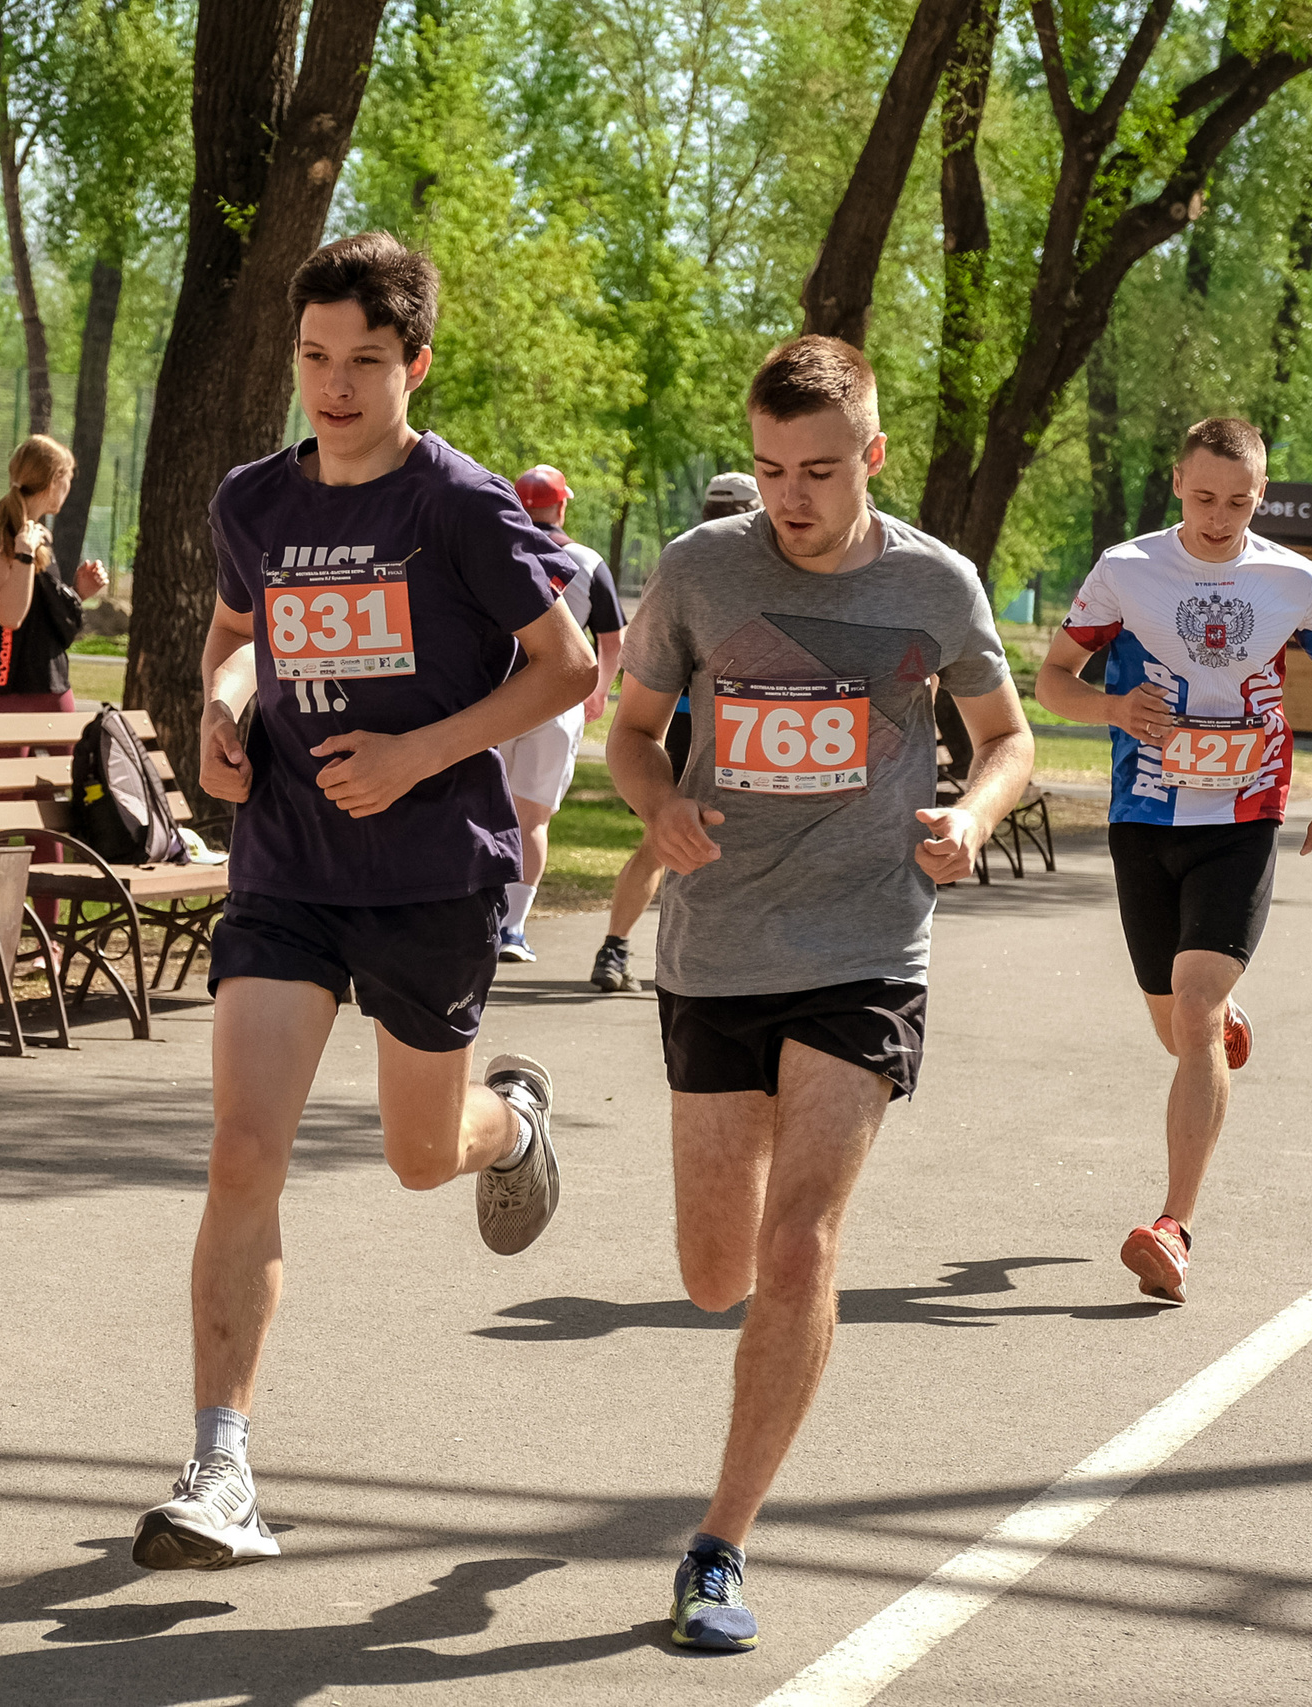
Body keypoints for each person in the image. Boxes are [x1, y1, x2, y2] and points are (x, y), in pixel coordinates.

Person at [130, 232, 598, 1574]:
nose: (335, 388)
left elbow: (562, 666)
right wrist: (221, 710)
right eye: (317, 359)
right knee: (241, 1147)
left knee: (412, 1152)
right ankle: (220, 1461)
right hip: (284, 868)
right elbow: (234, 636)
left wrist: (418, 752)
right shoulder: (254, 502)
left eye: (366, 364)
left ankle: (508, 1124)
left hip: (428, 878)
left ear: (416, 365)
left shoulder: (458, 504)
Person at [610, 336, 1032, 1652]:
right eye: (774, 468)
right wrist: (662, 797)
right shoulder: (698, 570)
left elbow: (1008, 735)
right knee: (711, 1271)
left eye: (822, 469)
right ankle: (523, 1121)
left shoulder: (933, 583)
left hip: (866, 943)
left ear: (873, 456)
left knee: (798, 1248)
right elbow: (629, 730)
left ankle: (720, 1540)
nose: (792, 495)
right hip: (717, 945)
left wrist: (972, 809)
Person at [1035, 417, 1312, 1305]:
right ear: (1178, 484)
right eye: (1203, 496)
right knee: (1177, 1026)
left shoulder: (1290, 580)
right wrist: (1114, 713)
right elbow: (1055, 678)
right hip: (1144, 817)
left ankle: (1173, 1227)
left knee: (1191, 1007)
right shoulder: (1126, 570)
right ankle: (1218, 1030)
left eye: (1238, 499)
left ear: (1260, 494)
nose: (1219, 515)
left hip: (1242, 819)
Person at [591, 472, 762, 994]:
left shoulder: (685, 559)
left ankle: (614, 949)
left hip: (689, 722)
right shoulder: (710, 565)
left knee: (662, 838)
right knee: (696, 836)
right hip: (703, 722)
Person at [0, 436, 111, 929]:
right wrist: (23, 555)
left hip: (50, 689)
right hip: (1, 692)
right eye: (67, 479)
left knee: (51, 814)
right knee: (1, 817)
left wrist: (78, 593)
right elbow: (9, 616)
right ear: (53, 481)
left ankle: (49, 934)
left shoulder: (37, 533)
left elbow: (45, 615)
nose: (68, 489)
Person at [490, 463, 625, 962]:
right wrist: (599, 692)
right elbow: (611, 641)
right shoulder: (588, 561)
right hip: (559, 701)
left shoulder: (498, 551)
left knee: (488, 809)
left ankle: (482, 913)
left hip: (496, 700)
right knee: (534, 818)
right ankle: (513, 928)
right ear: (562, 504)